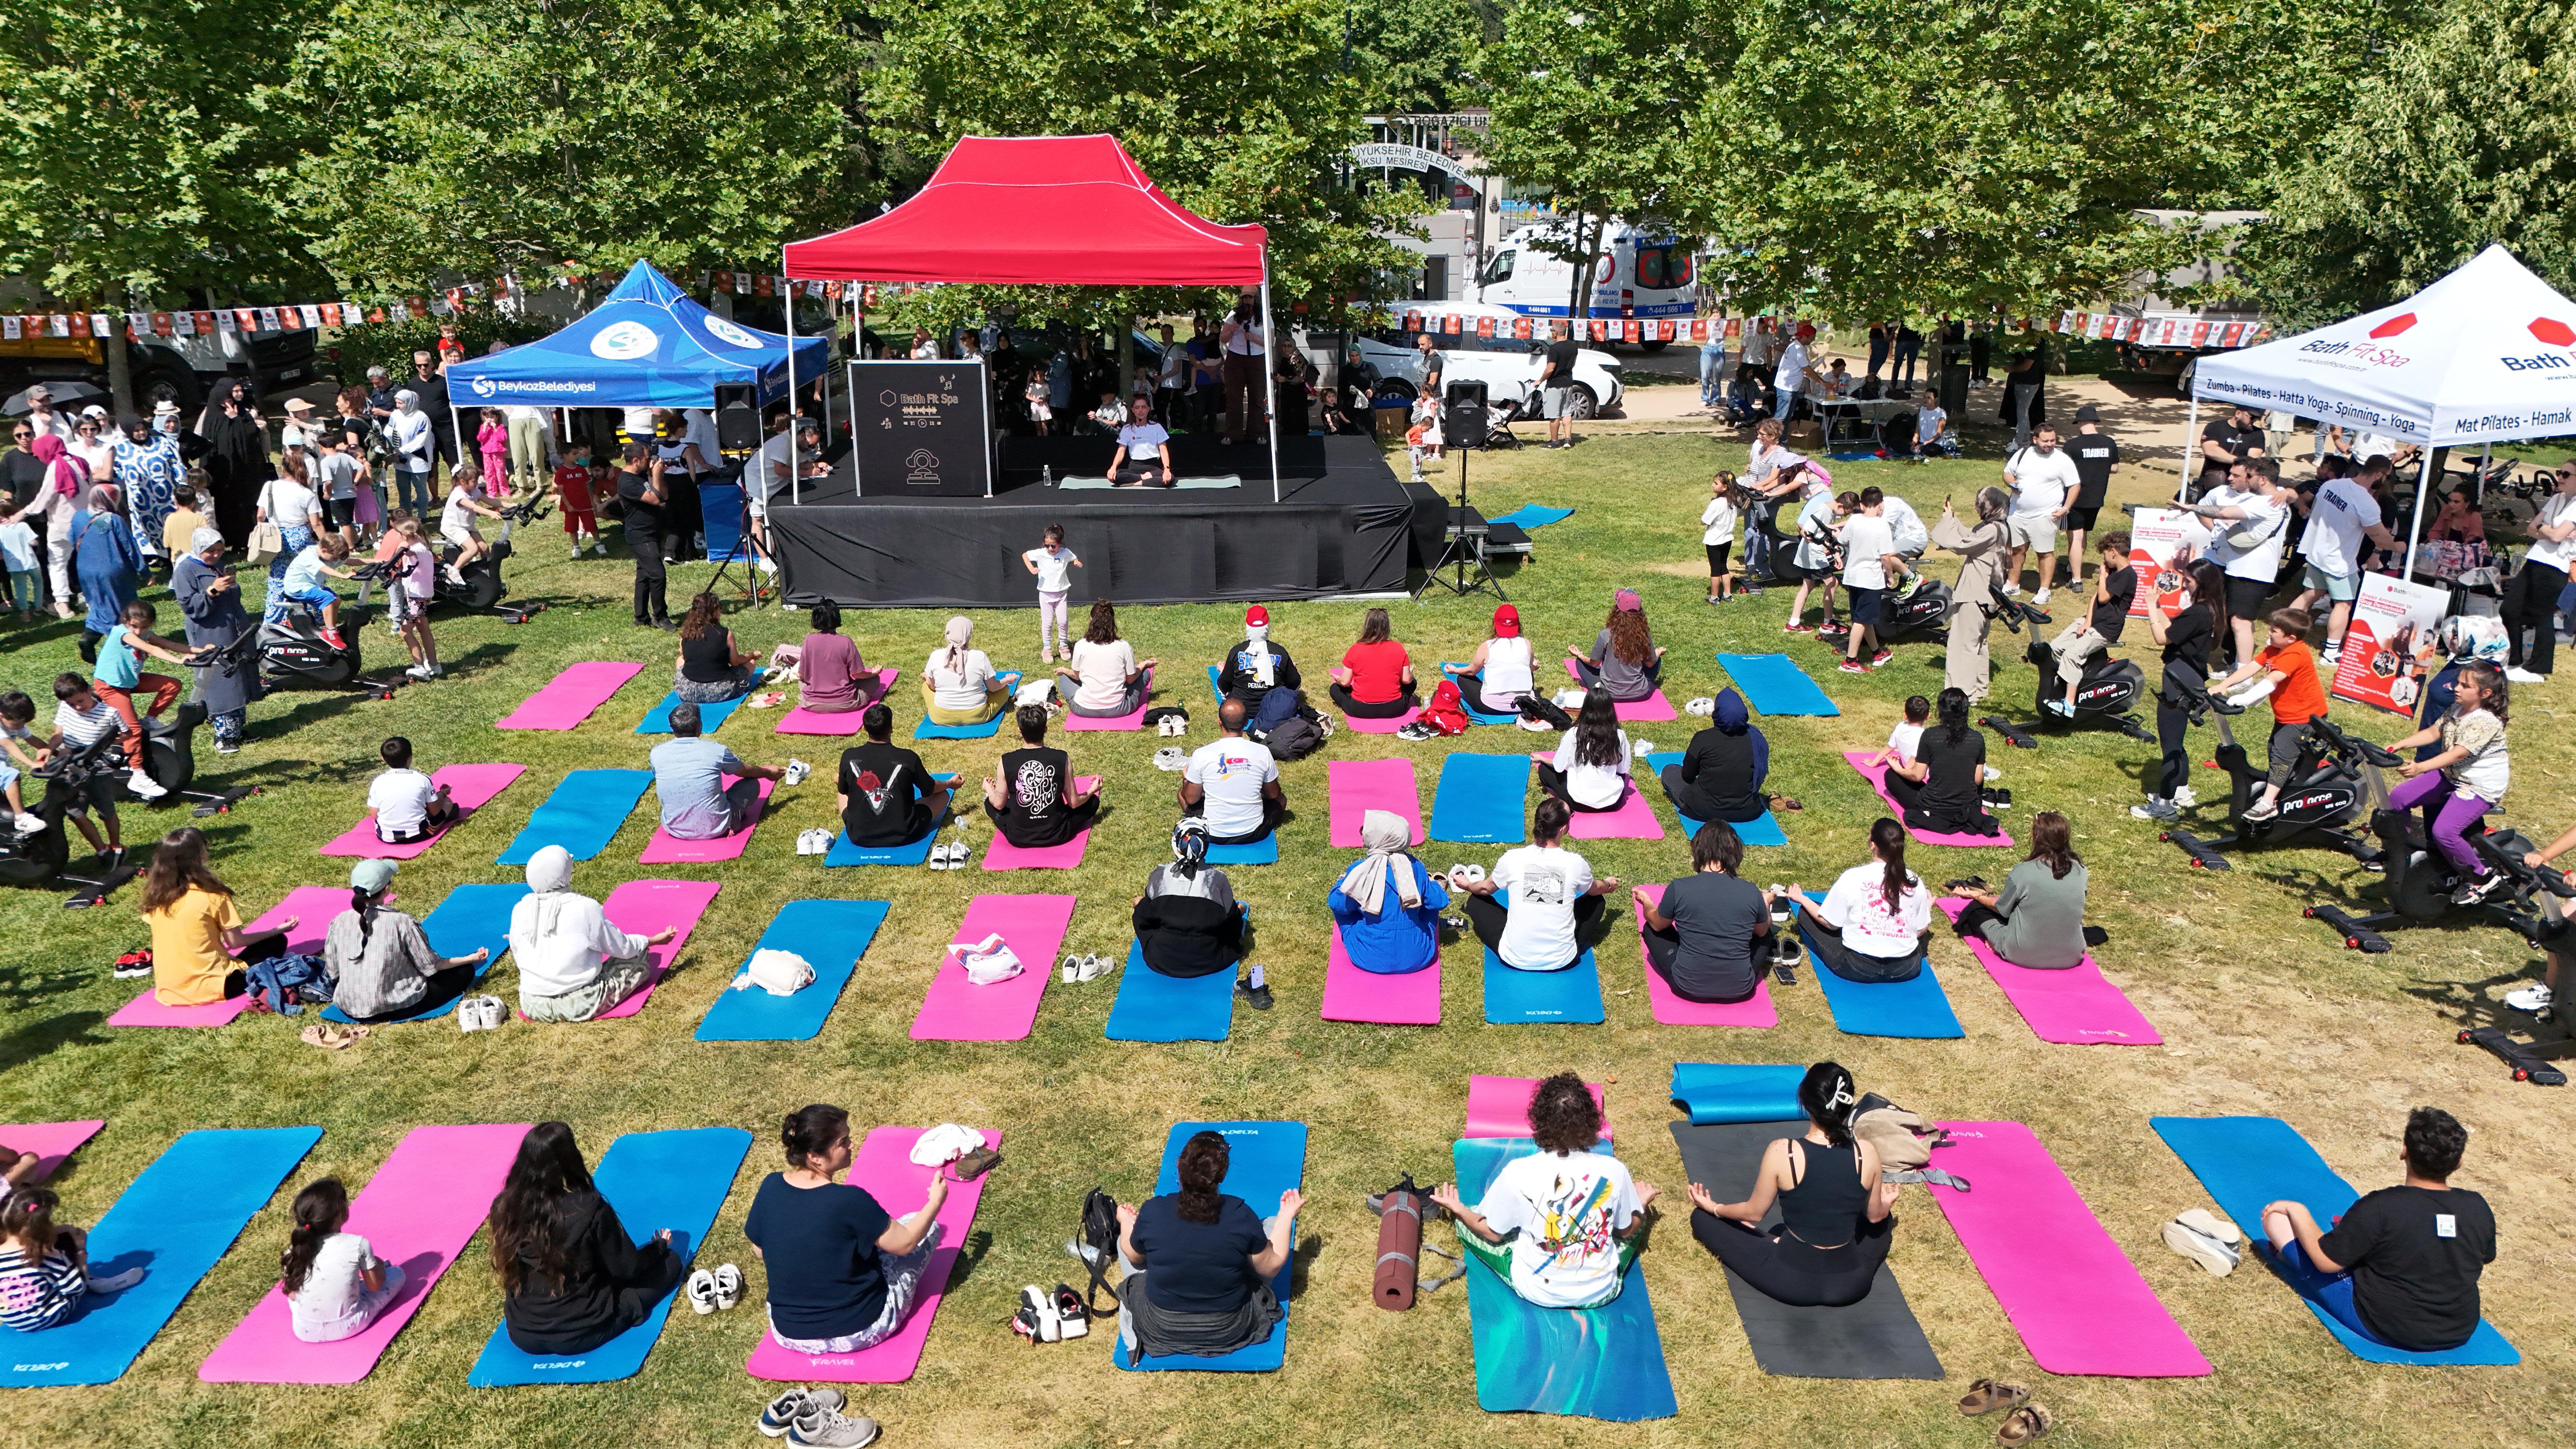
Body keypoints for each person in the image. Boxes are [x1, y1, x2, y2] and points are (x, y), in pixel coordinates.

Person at [746, 1103, 946, 1401]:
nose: (852, 1145)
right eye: (843, 1142)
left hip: (788, 1333)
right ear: (815, 1157)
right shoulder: (850, 1201)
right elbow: (904, 1244)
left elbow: (759, 1250)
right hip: (860, 1330)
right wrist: (935, 1203)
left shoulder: (771, 1186)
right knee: (924, 1228)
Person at [2260, 1107, 2494, 1353]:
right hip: (2458, 1329)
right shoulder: (2477, 1206)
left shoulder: (2382, 1206)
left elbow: (2325, 1262)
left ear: (2404, 1152)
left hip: (2386, 1325)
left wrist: (2298, 1211)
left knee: (2276, 1220)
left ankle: (2289, 1256)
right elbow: (2477, 1256)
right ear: (2458, 1163)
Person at [1429, 1074, 1658, 1309]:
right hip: (1601, 1293)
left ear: (1539, 1121)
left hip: (1537, 1291)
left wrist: (1459, 1210)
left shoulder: (1518, 1172)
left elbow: (1492, 1233)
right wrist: (1640, 1204)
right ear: (1592, 1121)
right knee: (1634, 1219)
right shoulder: (1615, 1170)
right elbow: (1626, 1230)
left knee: (1469, 1222)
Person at [1684, 1062, 1899, 1308]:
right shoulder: (1866, 1153)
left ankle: (1770, 1240)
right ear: (1847, 1105)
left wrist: (1715, 1209)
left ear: (1805, 1103)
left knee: (1701, 1218)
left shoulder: (1783, 1151)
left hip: (1791, 1281)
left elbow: (1753, 1213)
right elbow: (1875, 1216)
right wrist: (1886, 1203)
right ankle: (1777, 1241)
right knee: (1883, 1221)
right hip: (1850, 1284)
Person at [492, 1121, 687, 1356]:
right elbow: (628, 1269)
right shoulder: (588, 1209)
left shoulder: (505, 1207)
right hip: (581, 1331)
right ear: (569, 1158)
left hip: (524, 1333)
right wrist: (660, 1247)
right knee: (671, 1263)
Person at [1113, 1130, 1299, 1358]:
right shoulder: (1240, 1215)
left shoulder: (1153, 1211)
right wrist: (1286, 1216)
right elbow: (1270, 1267)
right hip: (1228, 1327)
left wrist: (1126, 1222)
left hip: (1162, 1326)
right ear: (1221, 1175)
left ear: (1179, 1167)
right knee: (1270, 1227)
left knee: (1126, 1242)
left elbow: (1134, 1257)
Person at [2380, 660, 2511, 903]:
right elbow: (2434, 732)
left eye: (2465, 686)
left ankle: (2481, 877)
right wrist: (2399, 745)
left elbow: (2458, 754)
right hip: (2453, 775)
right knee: (2398, 799)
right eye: (2458, 683)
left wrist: (2420, 767)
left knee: (2445, 832)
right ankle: (2400, 853)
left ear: (2485, 694)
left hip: (2479, 786)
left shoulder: (2486, 721)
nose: (2456, 688)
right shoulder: (2457, 708)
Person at [509, 844, 673, 1022]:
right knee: (639, 954)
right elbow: (623, 948)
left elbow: (518, 952)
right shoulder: (585, 908)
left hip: (532, 1005)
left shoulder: (521, 909)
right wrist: (652, 940)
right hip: (579, 1004)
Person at [138, 826, 297, 1006]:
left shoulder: (158, 898)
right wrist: (277, 930)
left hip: (169, 990)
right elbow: (235, 942)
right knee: (276, 942)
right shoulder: (213, 896)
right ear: (199, 856)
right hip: (218, 987)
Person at [1458, 797, 1617, 970]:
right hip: (1562, 960)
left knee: (1476, 900)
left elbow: (1484, 889)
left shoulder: (1513, 858)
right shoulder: (1575, 863)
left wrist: (1467, 885)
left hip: (1514, 957)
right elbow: (1595, 890)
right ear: (1563, 828)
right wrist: (1608, 884)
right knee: (1597, 901)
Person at [324, 858, 488, 1022]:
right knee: (465, 972)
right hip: (395, 1007)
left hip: (348, 1006)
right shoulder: (403, 922)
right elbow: (432, 967)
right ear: (387, 889)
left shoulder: (338, 921)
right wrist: (470, 959)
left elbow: (333, 971)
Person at [1640, 822, 1786, 1002]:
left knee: (1651, 929)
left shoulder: (1679, 887)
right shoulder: (1751, 891)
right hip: (1740, 988)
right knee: (1767, 932)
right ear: (1735, 853)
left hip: (1686, 986)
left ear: (1698, 851)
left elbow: (1657, 924)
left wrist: (1647, 903)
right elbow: (1762, 932)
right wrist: (1765, 903)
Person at [2214, 606, 2330, 824]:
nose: (2268, 633)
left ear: (2290, 638)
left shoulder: (2295, 653)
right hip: (2287, 715)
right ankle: (2287, 791)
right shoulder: (2275, 649)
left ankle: (2268, 805)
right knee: (2275, 748)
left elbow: (2272, 681)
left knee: (2282, 756)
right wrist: (2224, 685)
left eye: (2274, 631)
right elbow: (2251, 667)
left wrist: (2244, 699)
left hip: (2303, 718)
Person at [2289, 454, 2401, 666]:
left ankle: (2281, 634)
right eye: (2386, 476)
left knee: (2309, 595)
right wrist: (2397, 546)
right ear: (2379, 474)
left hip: (2316, 551)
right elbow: (2379, 537)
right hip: (2339, 562)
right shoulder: (2366, 503)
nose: (2385, 480)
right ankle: (2331, 653)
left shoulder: (2332, 485)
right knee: (2343, 605)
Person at [1788, 820, 1935, 982]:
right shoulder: (1914, 881)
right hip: (1906, 968)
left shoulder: (1852, 877)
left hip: (1857, 967)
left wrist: (1802, 899)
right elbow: (1920, 929)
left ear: (1873, 844)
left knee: (1806, 913)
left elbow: (1830, 923)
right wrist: (1927, 907)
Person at [2136, 559, 2225, 821]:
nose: (2184, 584)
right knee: (2177, 740)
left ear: (2203, 583)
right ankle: (2182, 791)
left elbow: (2161, 638)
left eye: (2189, 581)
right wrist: (2159, 606)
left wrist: (2150, 605)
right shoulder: (2210, 610)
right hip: (2191, 676)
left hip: (2179, 680)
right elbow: (2174, 631)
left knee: (2171, 745)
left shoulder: (2198, 613)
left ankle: (2165, 805)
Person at [2186, 458, 2296, 668]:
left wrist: (2190, 506)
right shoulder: (2276, 497)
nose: (2245, 479)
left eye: (2249, 476)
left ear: (2262, 479)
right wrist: (2288, 493)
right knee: (2240, 619)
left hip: (2251, 571)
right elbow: (2292, 494)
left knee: (2240, 622)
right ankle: (2237, 664)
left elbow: (2223, 513)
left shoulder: (2265, 502)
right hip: (2245, 568)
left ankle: (2242, 671)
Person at [1947, 811, 2090, 968]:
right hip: (2072, 956)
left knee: (1977, 912)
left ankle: (1997, 943)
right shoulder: (2081, 870)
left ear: (2036, 837)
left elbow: (2002, 910)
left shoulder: (2023, 872)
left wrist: (1978, 896)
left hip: (2021, 954)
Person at [0, 1186, 146, 1331]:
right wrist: (80, 1250)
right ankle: (94, 1282)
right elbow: (75, 1288)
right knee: (68, 1249)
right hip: (49, 1317)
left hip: (16, 1323)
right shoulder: (44, 1256)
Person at [279, 1177, 404, 1343]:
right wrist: (379, 1265)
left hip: (305, 1330)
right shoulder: (357, 1244)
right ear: (341, 1213)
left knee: (298, 1298)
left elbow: (292, 1294)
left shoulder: (295, 1250)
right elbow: (375, 1286)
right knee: (397, 1274)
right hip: (349, 1325)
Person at [1327, 809, 1446, 975]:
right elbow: (1439, 902)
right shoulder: (1416, 868)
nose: (1362, 834)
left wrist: (1344, 882)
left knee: (1344, 904)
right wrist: (1432, 884)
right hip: (1418, 956)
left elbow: (1336, 904)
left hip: (1368, 957)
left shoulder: (1360, 870)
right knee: (1429, 907)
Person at [88, 599, 187, 796]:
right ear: (125, 621)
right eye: (134, 626)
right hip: (110, 687)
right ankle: (138, 775)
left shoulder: (144, 634)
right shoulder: (122, 633)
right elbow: (152, 649)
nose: (138, 631)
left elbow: (169, 644)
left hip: (128, 682)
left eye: (144, 627)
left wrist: (201, 651)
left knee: (172, 685)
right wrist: (179, 661)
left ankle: (150, 719)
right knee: (132, 730)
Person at [651, 702, 789, 842]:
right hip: (717, 828)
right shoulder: (717, 751)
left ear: (672, 728)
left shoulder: (656, 753)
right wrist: (768, 773)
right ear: (699, 727)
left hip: (675, 829)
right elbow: (745, 771)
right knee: (751, 785)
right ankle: (735, 817)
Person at [1660, 688, 1798, 825]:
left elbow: (1687, 777)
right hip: (1747, 812)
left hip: (1702, 810)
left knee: (1670, 770)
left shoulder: (1703, 738)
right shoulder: (1756, 739)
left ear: (1718, 713)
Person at [1133, 821, 1248, 978]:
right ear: (1204, 847)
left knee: (1141, 906)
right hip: (1210, 960)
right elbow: (1230, 920)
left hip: (1161, 959)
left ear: (1176, 845)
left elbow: (1146, 917)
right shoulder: (1217, 878)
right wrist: (1239, 911)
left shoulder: (1160, 874)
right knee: (1235, 915)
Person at [980, 704, 1101, 849]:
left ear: (1020, 731)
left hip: (1018, 836)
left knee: (990, 803)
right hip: (1057, 833)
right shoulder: (1062, 758)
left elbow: (998, 804)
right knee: (1092, 802)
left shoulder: (1006, 761)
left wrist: (989, 789)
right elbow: (1074, 803)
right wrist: (1092, 790)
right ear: (1045, 730)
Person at [2043, 531, 2137, 716]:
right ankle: (2067, 686)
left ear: (2113, 552)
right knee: (2055, 647)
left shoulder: (2128, 575)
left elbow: (2103, 597)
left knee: (2072, 655)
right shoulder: (2114, 571)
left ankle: (2069, 705)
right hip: (2093, 622)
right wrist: (2087, 622)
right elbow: (2095, 597)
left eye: (2105, 555)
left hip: (2106, 629)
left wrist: (2103, 576)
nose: (2104, 560)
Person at [1933, 488, 2013, 702]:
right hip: (1986, 597)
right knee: (1978, 644)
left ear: (1990, 506)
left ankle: (1963, 693)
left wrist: (1947, 522)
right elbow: (1970, 535)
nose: (1976, 507)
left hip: (1974, 596)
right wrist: (1952, 518)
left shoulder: (1991, 531)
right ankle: (1978, 689)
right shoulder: (2000, 527)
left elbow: (1962, 545)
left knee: (1962, 646)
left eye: (1979, 504)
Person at [836, 703, 949, 848]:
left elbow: (844, 790)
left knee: (841, 791)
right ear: (891, 728)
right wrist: (950, 784)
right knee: (943, 795)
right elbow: (930, 790)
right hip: (905, 834)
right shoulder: (908, 757)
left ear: (865, 728)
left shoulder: (849, 756)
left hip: (859, 835)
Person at [2505, 462, 2575, 683]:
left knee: (2542, 615)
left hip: (2556, 565)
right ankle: (2514, 658)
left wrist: (2544, 529)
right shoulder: (2557, 498)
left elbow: (2554, 534)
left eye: (2566, 474)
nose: (2560, 477)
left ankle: (2539, 668)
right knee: (2509, 608)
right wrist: (2550, 531)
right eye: (2559, 472)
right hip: (2536, 558)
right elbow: (2530, 528)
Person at [44, 676, 129, 858]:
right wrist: (50, 749)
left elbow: (126, 734)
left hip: (99, 771)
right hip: (72, 769)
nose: (77, 707)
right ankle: (101, 850)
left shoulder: (109, 713)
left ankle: (116, 846)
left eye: (80, 701)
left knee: (107, 812)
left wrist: (102, 745)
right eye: (71, 704)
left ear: (89, 691)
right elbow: (59, 733)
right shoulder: (65, 708)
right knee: (75, 813)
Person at [1180, 699, 1283, 845]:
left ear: (1219, 722)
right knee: (1281, 799)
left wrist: (1186, 779)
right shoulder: (1262, 752)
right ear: (1246, 722)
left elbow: (1191, 799)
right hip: (1253, 833)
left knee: (1182, 794)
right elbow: (1273, 794)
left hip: (1212, 833)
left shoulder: (1202, 754)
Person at [2001, 425, 2079, 604]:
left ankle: (2044, 590)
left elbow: (2075, 485)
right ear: (2035, 440)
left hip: (2046, 515)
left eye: (2053, 440)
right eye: (2046, 441)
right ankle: (2012, 584)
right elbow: (2007, 473)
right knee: (2016, 550)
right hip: (2017, 513)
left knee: (2044, 553)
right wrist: (2011, 483)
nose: (2050, 444)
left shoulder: (2062, 460)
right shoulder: (2022, 454)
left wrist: (2065, 508)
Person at [69, 484, 144, 654]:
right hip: (114, 571)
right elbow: (130, 547)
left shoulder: (78, 516)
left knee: (97, 604)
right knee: (122, 606)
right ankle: (122, 643)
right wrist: (144, 571)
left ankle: (89, 636)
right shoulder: (114, 520)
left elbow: (72, 540)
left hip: (86, 570)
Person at [194, 380, 269, 544]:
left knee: (246, 503)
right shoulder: (212, 416)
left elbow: (249, 435)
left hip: (244, 468)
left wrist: (236, 419)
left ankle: (247, 538)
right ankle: (229, 538)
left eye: (230, 399)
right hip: (223, 471)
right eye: (226, 400)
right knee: (226, 505)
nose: (229, 403)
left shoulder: (241, 412)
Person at [1836, 487, 1902, 673]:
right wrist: (1890, 575)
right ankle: (1850, 661)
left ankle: (1877, 652)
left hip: (1853, 576)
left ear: (1862, 504)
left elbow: (1843, 540)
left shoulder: (1854, 520)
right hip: (1870, 579)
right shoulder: (1882, 525)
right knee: (1861, 620)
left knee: (1865, 617)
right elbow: (1885, 556)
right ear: (1881, 505)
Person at [1541, 687, 1634, 814]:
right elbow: (1623, 770)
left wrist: (1542, 759)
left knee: (1544, 770)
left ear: (1585, 708)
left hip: (1579, 802)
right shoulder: (1619, 735)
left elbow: (1559, 766)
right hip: (1613, 802)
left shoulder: (1574, 733)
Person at [1216, 604, 1304, 736]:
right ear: (1268, 627)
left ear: (1247, 627)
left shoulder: (1236, 651)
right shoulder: (1280, 652)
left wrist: (1224, 672)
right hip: (1273, 709)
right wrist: (1288, 669)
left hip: (1241, 709)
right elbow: (1295, 684)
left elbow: (1223, 686)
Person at [1060, 599, 1155, 717]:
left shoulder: (1080, 645)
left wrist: (1064, 670)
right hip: (1120, 709)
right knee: (1145, 674)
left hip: (1083, 709)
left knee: (1064, 678)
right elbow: (1130, 679)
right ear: (1112, 622)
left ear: (1091, 620)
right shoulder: (1123, 646)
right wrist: (1143, 665)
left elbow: (1077, 676)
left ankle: (1087, 697)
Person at [612, 445, 673, 629]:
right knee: (657, 574)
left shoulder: (640, 475)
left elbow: (663, 496)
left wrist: (659, 475)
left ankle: (641, 617)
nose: (650, 461)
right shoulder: (626, 482)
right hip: (640, 535)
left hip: (652, 531)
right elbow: (654, 500)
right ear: (636, 461)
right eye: (647, 459)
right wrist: (655, 473)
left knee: (644, 575)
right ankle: (660, 617)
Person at [263, 530, 356, 649]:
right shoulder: (310, 556)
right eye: (334, 558)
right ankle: (330, 633)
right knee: (328, 599)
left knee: (336, 599)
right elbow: (324, 568)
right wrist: (343, 576)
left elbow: (349, 561)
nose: (334, 561)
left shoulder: (323, 553)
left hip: (309, 585)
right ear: (324, 551)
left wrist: (374, 561)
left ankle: (331, 629)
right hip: (297, 588)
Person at [1443, 603, 1539, 718]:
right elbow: (1529, 669)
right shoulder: (1526, 644)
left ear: (1494, 624)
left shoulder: (1487, 646)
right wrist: (1535, 666)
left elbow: (1471, 671)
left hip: (1489, 707)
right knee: (1529, 673)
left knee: (1462, 678)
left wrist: (1454, 670)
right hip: (1524, 706)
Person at [1573, 589, 1666, 701]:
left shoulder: (1606, 634)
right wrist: (1658, 653)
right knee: (1656, 660)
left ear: (1617, 612)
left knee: (1580, 663)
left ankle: (1599, 686)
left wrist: (1580, 655)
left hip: (1609, 694)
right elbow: (1650, 664)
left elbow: (1594, 663)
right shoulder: (1644, 635)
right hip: (1640, 694)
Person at [380, 514, 442, 680]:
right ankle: (434, 666)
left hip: (417, 598)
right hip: (419, 596)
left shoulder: (417, 549)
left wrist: (403, 547)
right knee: (423, 629)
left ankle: (420, 667)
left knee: (404, 631)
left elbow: (411, 552)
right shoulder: (420, 545)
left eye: (397, 534)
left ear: (406, 535)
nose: (396, 537)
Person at [1783, 470, 1845, 633]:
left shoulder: (1830, 511)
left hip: (1808, 553)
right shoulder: (1823, 511)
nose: (1845, 516)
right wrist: (1807, 535)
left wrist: (1835, 553)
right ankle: (1828, 623)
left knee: (1808, 585)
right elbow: (1806, 528)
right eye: (1846, 512)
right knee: (1833, 583)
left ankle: (1794, 623)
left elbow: (1826, 535)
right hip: (1813, 555)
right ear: (1840, 506)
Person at [365, 735, 458, 845]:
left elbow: (374, 814)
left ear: (383, 758)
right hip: (419, 834)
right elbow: (435, 811)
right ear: (410, 757)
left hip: (386, 836)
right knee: (448, 802)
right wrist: (442, 794)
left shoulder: (378, 782)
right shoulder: (422, 779)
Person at [672, 592, 760, 704]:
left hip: (688, 693)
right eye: (719, 608)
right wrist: (751, 655)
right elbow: (735, 662)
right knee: (751, 663)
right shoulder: (726, 634)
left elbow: (684, 656)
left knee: (680, 659)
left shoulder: (686, 632)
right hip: (719, 692)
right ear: (714, 612)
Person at [1330, 607, 1417, 718]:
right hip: (1395, 709)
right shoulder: (1398, 648)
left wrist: (1338, 680)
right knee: (1413, 683)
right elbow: (1407, 680)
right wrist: (1410, 674)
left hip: (1360, 709)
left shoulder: (1356, 649)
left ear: (1367, 627)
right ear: (1387, 627)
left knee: (1335, 689)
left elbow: (1345, 682)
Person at [922, 616, 1007, 726]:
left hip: (941, 717)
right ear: (968, 636)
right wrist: (1006, 681)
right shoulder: (980, 656)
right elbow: (993, 688)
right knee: (1005, 690)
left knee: (925, 686)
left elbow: (933, 687)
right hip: (978, 716)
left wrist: (927, 677)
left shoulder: (936, 655)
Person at [794, 602, 876, 714]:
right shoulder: (846, 642)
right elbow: (858, 674)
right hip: (846, 703)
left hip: (812, 703)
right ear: (837, 617)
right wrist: (873, 674)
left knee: (801, 682)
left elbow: (803, 675)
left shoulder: (809, 640)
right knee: (874, 680)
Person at [1023, 522, 1083, 664]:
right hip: (1046, 594)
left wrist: (1077, 562)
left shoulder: (1065, 553)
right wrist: (1032, 569)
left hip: (1061, 594)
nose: (1050, 548)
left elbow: (1073, 558)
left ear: (1059, 544)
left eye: (1053, 546)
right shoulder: (1041, 554)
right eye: (1047, 545)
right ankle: (1047, 648)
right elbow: (1025, 555)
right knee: (1048, 622)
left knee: (1063, 621)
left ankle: (1063, 644)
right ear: (1043, 544)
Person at [438, 460, 505, 582]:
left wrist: (513, 506)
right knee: (473, 550)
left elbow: (491, 501)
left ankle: (486, 572)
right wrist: (490, 513)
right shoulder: (458, 495)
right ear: (463, 481)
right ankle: (453, 571)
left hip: (466, 526)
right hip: (453, 527)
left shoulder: (474, 491)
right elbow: (474, 507)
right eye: (474, 481)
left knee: (484, 548)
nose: (477, 483)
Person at [1220, 298, 1267, 445]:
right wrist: (1231, 331)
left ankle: (1257, 433)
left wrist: (1254, 338)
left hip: (1257, 358)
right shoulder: (1233, 314)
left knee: (1257, 398)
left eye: (1250, 297)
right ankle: (1232, 434)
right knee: (1234, 398)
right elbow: (1223, 339)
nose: (1247, 301)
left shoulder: (1264, 314)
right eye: (1245, 297)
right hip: (1236, 357)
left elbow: (1270, 341)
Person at [2195, 403, 2263, 503]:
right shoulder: (2215, 427)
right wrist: (2238, 461)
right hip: (2211, 484)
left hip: (2238, 489)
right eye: (2251, 417)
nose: (2254, 421)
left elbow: (2253, 459)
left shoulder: (2257, 433)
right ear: (2238, 414)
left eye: (2257, 418)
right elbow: (2210, 450)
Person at [386, 389, 436, 517]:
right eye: (397, 403)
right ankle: (406, 517)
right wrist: (389, 446)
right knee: (403, 489)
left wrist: (403, 451)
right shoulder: (396, 414)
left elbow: (421, 440)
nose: (398, 406)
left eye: (401, 403)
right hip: (400, 458)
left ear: (410, 402)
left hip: (418, 458)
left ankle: (422, 516)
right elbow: (389, 431)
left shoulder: (422, 417)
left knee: (420, 488)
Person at [1107, 393, 1174, 487]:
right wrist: (1113, 467)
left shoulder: (1157, 427)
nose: (1140, 411)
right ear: (1133, 410)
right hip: (1135, 467)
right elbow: (1121, 451)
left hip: (1153, 467)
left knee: (1170, 479)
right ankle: (1145, 478)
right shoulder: (1127, 429)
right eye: (1137, 408)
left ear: (1148, 409)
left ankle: (1135, 483)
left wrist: (1167, 469)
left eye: (1144, 407)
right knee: (1117, 476)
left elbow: (1163, 450)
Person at [553, 438, 603, 556]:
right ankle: (576, 547)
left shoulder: (581, 470)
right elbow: (561, 491)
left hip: (585, 503)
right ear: (565, 456)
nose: (578, 456)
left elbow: (587, 487)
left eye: (578, 453)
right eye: (575, 454)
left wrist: (591, 501)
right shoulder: (561, 472)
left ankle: (598, 544)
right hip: (571, 506)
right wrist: (568, 505)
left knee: (592, 525)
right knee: (572, 528)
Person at [1702, 471, 1744, 603]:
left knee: (1715, 570)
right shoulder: (1732, 502)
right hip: (1727, 539)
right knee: (1723, 566)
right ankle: (1727, 594)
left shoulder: (1717, 503)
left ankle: (1714, 597)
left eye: (1716, 483)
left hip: (1714, 541)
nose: (1713, 485)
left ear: (1725, 487)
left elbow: (1704, 520)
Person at [1542, 324, 1585, 448]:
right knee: (1567, 413)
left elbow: (1550, 369)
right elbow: (1573, 364)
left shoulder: (1554, 349)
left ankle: (1555, 442)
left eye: (1552, 331)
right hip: (1568, 383)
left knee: (1554, 415)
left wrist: (1540, 380)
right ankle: (1568, 440)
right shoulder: (1573, 346)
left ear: (1555, 333)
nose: (1551, 333)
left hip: (1555, 384)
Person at [1771, 322, 1819, 423]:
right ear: (1805, 337)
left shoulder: (1799, 347)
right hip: (1786, 388)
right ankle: (1770, 433)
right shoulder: (1797, 349)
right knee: (1781, 417)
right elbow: (1808, 370)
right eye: (1812, 337)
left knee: (1788, 417)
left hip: (1793, 387)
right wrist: (1823, 383)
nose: (1813, 340)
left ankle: (1782, 434)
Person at [1907, 389, 1958, 459]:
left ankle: (1922, 451)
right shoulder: (1921, 410)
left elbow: (1939, 435)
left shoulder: (1940, 413)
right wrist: (1914, 443)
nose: (1926, 400)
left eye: (1929, 398)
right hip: (1922, 442)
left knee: (1931, 451)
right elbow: (1917, 430)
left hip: (1935, 443)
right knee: (1905, 446)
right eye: (1925, 397)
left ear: (1935, 399)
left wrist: (1924, 444)